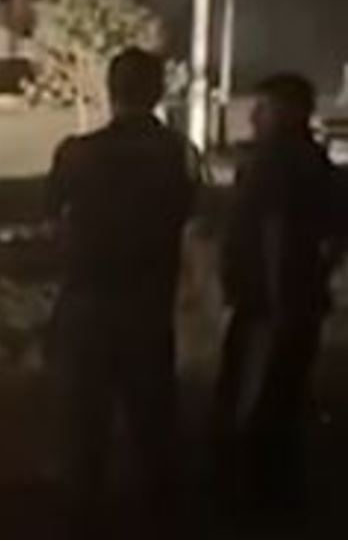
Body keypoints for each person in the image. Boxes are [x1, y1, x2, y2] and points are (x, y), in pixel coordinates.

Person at [45, 47, 199, 519]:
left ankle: (84, 513)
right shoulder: (179, 154)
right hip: (148, 304)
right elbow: (190, 215)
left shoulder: (76, 154)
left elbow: (52, 218)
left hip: (87, 302)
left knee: (83, 421)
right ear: (158, 92)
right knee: (152, 421)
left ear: (110, 90)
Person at [215, 73, 339, 510]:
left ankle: (252, 498)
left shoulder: (274, 161)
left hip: (267, 305)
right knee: (284, 396)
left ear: (288, 111)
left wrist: (276, 296)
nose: (254, 115)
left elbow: (276, 229)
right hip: (301, 300)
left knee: (255, 400)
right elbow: (335, 236)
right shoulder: (318, 163)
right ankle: (278, 492)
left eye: (264, 107)